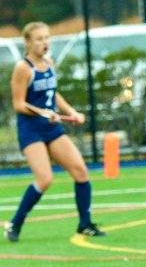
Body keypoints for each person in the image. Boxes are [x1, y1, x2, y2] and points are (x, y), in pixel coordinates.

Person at [4, 22, 106, 242]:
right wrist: (42, 113)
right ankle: (16, 222)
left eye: (47, 38)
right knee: (44, 178)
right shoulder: (24, 67)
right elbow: (19, 103)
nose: (44, 43)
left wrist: (72, 112)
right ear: (28, 42)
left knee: (80, 171)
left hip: (51, 128)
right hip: (31, 130)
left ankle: (85, 224)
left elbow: (53, 93)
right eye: (39, 39)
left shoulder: (49, 63)